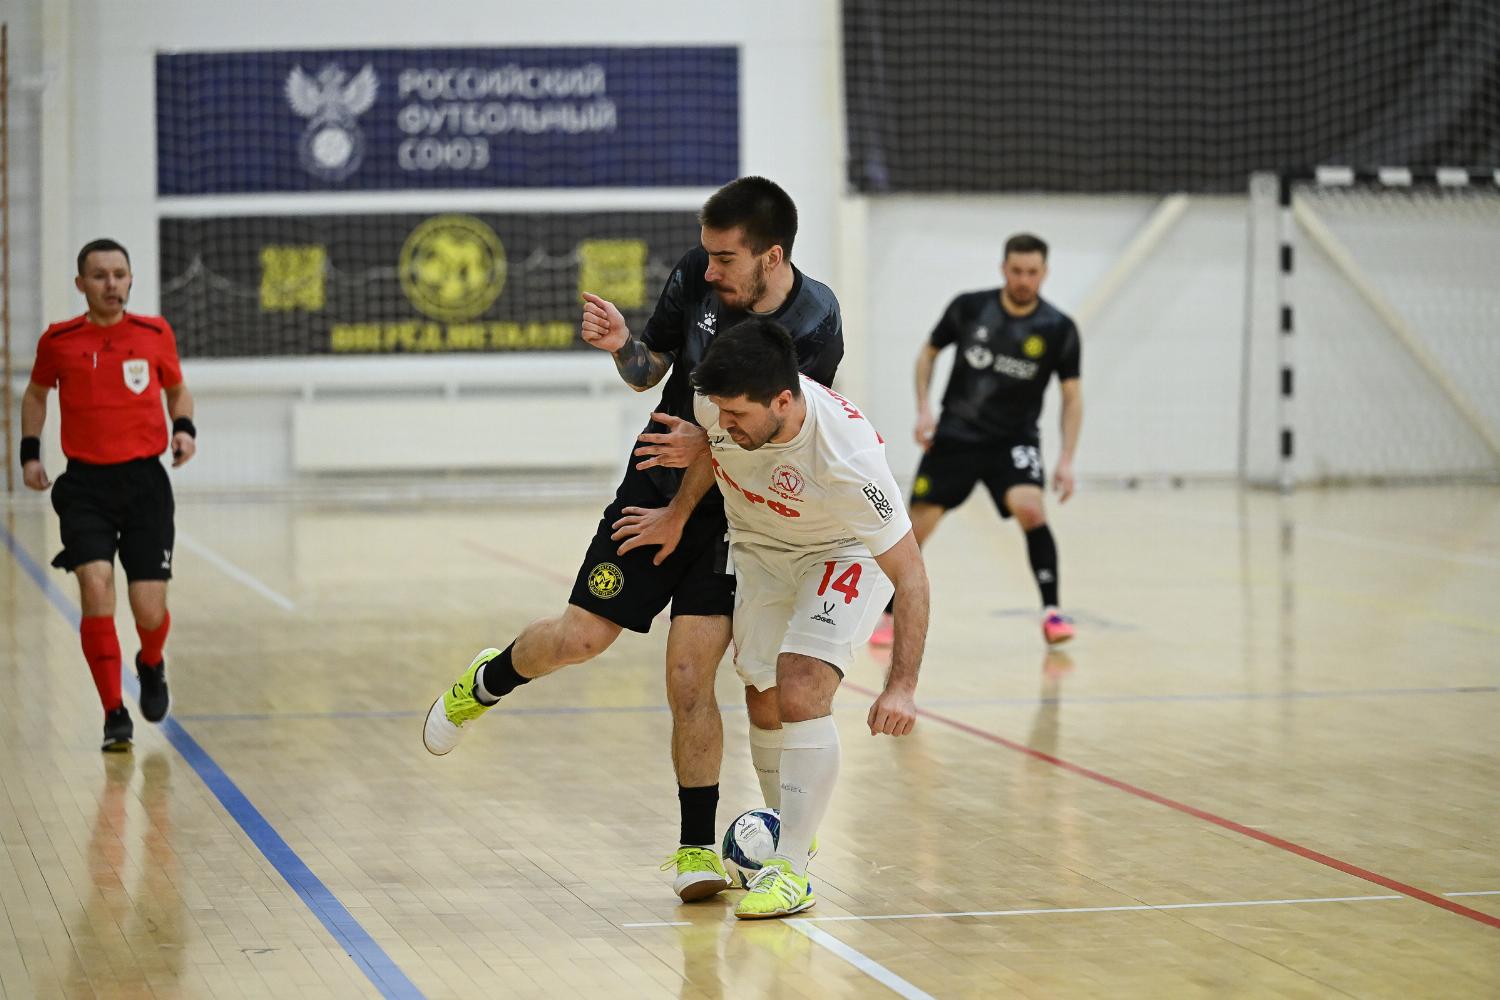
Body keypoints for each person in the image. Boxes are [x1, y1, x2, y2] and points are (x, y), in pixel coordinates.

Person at [422, 177, 844, 903]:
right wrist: (624, 347)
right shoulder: (697, 275)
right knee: (581, 638)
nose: (709, 269)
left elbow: (772, 435)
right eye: (707, 255)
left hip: (736, 511)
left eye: (725, 258)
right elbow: (651, 370)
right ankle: (487, 680)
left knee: (690, 676)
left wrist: (693, 489)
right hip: (656, 483)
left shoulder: (814, 320)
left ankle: (695, 850)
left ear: (771, 257)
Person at [633, 316, 928, 919]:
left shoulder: (847, 457)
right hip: (761, 550)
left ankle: (792, 867)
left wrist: (901, 686)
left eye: (738, 415)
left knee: (800, 683)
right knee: (762, 692)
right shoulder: (719, 405)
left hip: (841, 552)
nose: (724, 423)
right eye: (719, 411)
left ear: (784, 401)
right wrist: (679, 512)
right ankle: (792, 826)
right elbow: (712, 451)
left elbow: (912, 575)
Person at [20, 238, 197, 751]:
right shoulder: (59, 340)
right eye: (99, 276)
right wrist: (30, 453)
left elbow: (176, 388)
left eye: (119, 274)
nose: (111, 284)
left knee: (148, 607)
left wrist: (183, 429)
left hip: (145, 486)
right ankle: (114, 713)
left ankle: (151, 661)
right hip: (86, 488)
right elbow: (36, 394)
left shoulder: (154, 333)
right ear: (81, 284)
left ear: (131, 279)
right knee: (96, 588)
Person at [871, 232, 1082, 648]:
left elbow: (1072, 396)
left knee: (1031, 509)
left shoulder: (1058, 328)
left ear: (1045, 273)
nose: (1024, 280)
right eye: (1016, 271)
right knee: (914, 530)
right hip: (957, 435)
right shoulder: (970, 308)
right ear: (1003, 269)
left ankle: (1052, 613)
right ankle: (890, 614)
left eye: (1032, 272)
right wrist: (924, 409)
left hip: (1014, 440)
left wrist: (1066, 459)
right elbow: (928, 354)